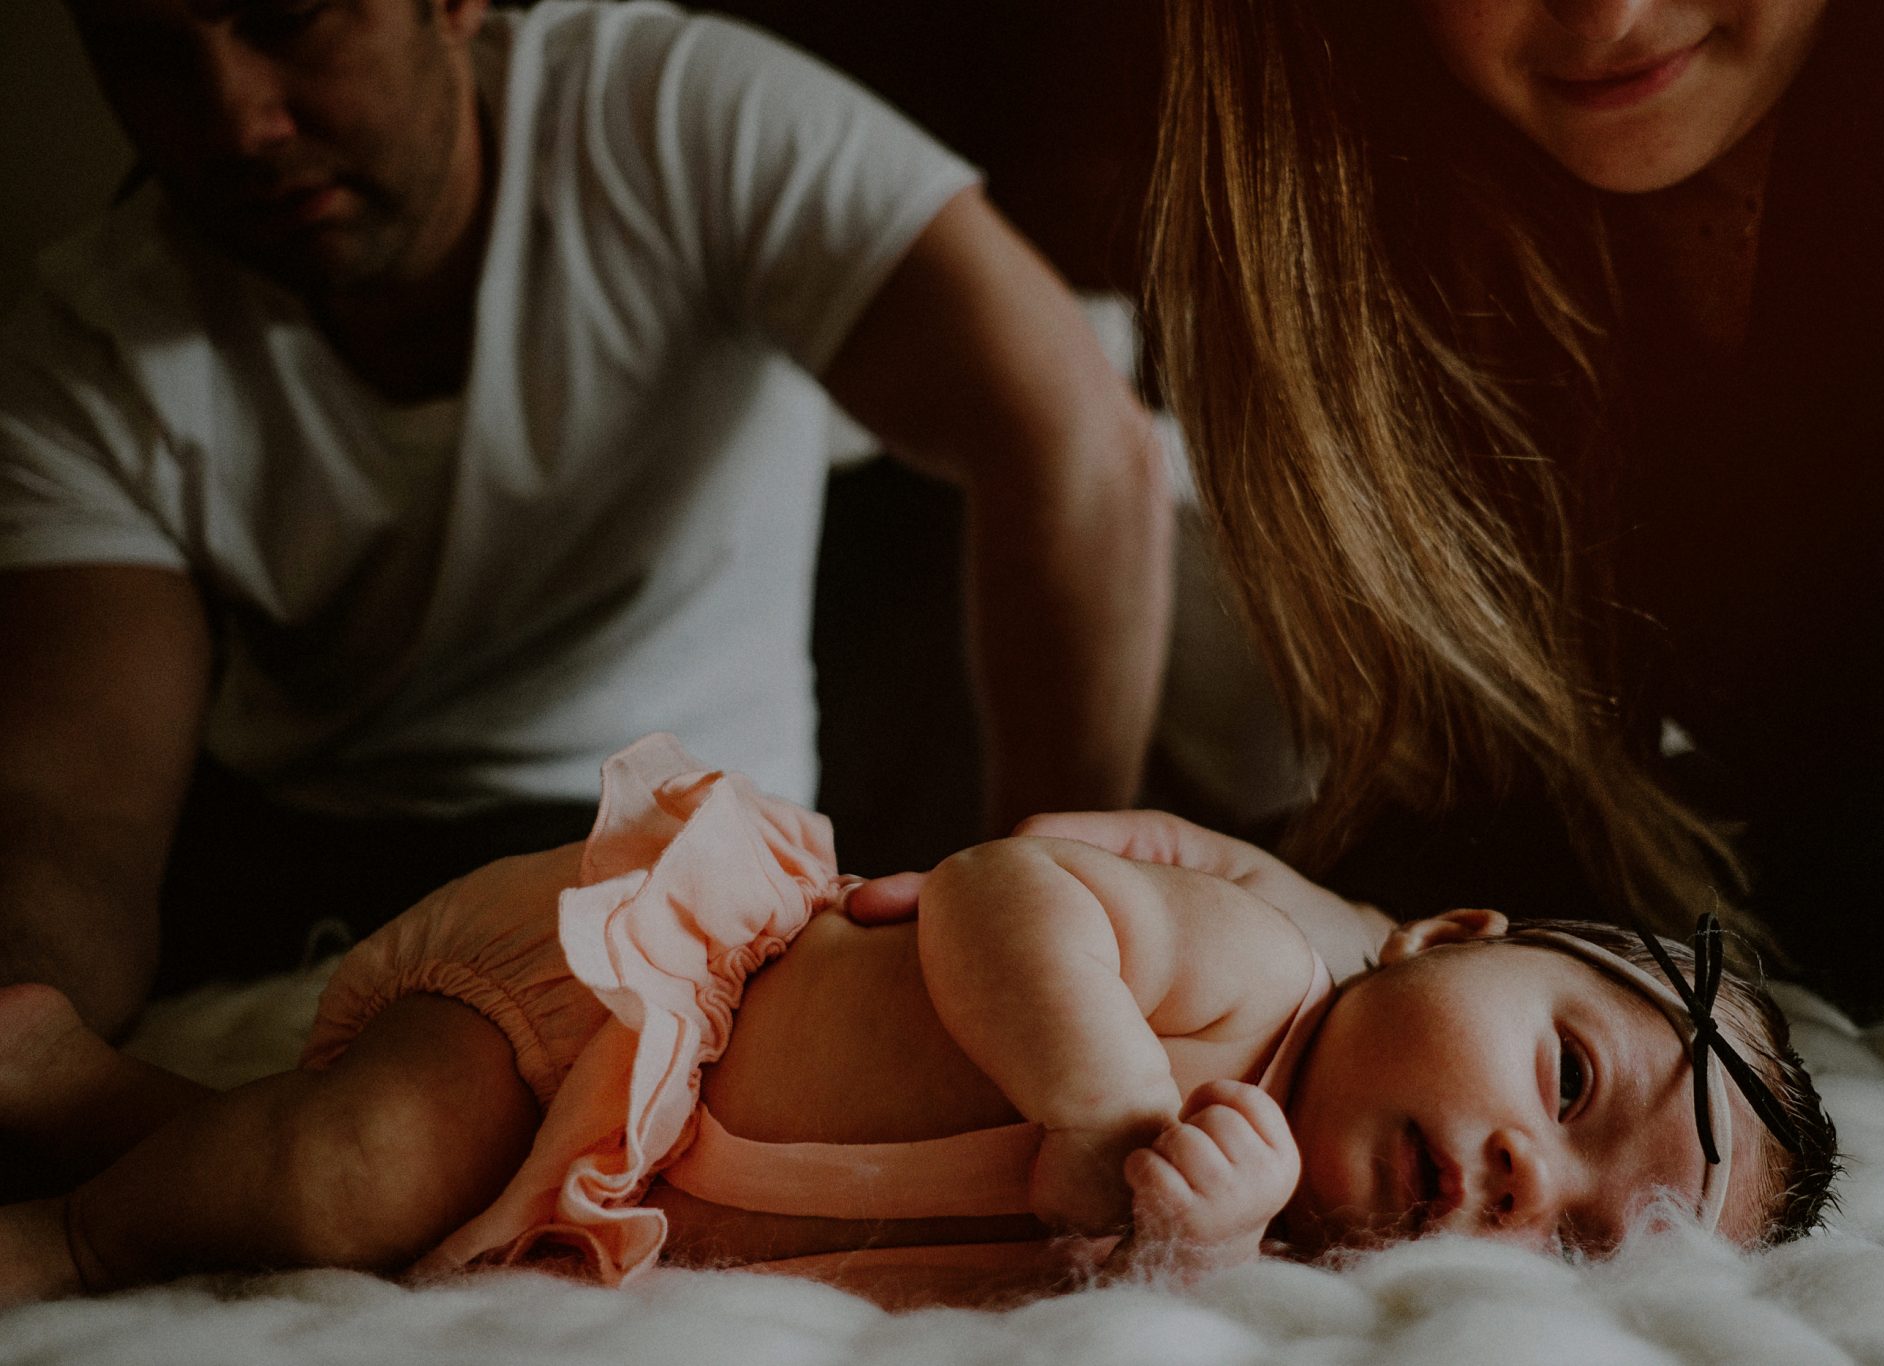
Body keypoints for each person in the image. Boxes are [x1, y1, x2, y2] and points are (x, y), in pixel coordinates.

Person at [0, 0, 1169, 1042]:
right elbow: (72, 815)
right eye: (151, 57)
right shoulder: (85, 348)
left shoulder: (672, 115)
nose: (233, 121)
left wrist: (1053, 915)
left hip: (675, 857)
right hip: (303, 886)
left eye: (285, 19)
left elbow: (1076, 442)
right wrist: (28, 1037)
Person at [0, 734, 1835, 1311]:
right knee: (346, 1175)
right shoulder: (1260, 981)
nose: (1529, 1170)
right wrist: (1110, 1110)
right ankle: (72, 1236)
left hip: (614, 1183)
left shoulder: (1259, 1231)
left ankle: (97, 1095)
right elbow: (994, 892)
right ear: (1442, 934)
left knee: (392, 1196)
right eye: (1571, 1073)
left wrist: (1171, 1231)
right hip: (630, 1023)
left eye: (1589, 1237)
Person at [1143, 0, 1884, 1075]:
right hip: (1825, 995)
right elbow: (1511, 812)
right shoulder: (1395, 223)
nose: (1607, 13)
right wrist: (1298, 934)